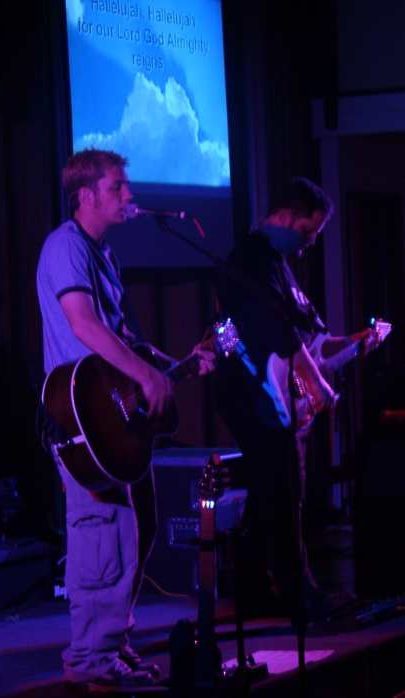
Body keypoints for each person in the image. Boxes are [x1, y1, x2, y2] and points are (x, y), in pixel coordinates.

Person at [36, 149, 215, 688]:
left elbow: (122, 339)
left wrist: (172, 365)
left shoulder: (105, 256)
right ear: (86, 195)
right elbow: (84, 325)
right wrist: (148, 376)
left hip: (114, 421)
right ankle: (90, 658)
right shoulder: (66, 245)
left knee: (139, 527)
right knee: (102, 533)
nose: (129, 196)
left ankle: (112, 641)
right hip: (83, 420)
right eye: (118, 186)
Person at [214, 176, 381, 625]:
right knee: (284, 489)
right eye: (309, 231)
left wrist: (354, 343)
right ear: (287, 217)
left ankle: (254, 590)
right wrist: (313, 383)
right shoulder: (250, 261)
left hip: (273, 398)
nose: (310, 242)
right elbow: (268, 334)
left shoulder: (279, 266)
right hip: (253, 396)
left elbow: (309, 336)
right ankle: (298, 595)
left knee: (269, 491)